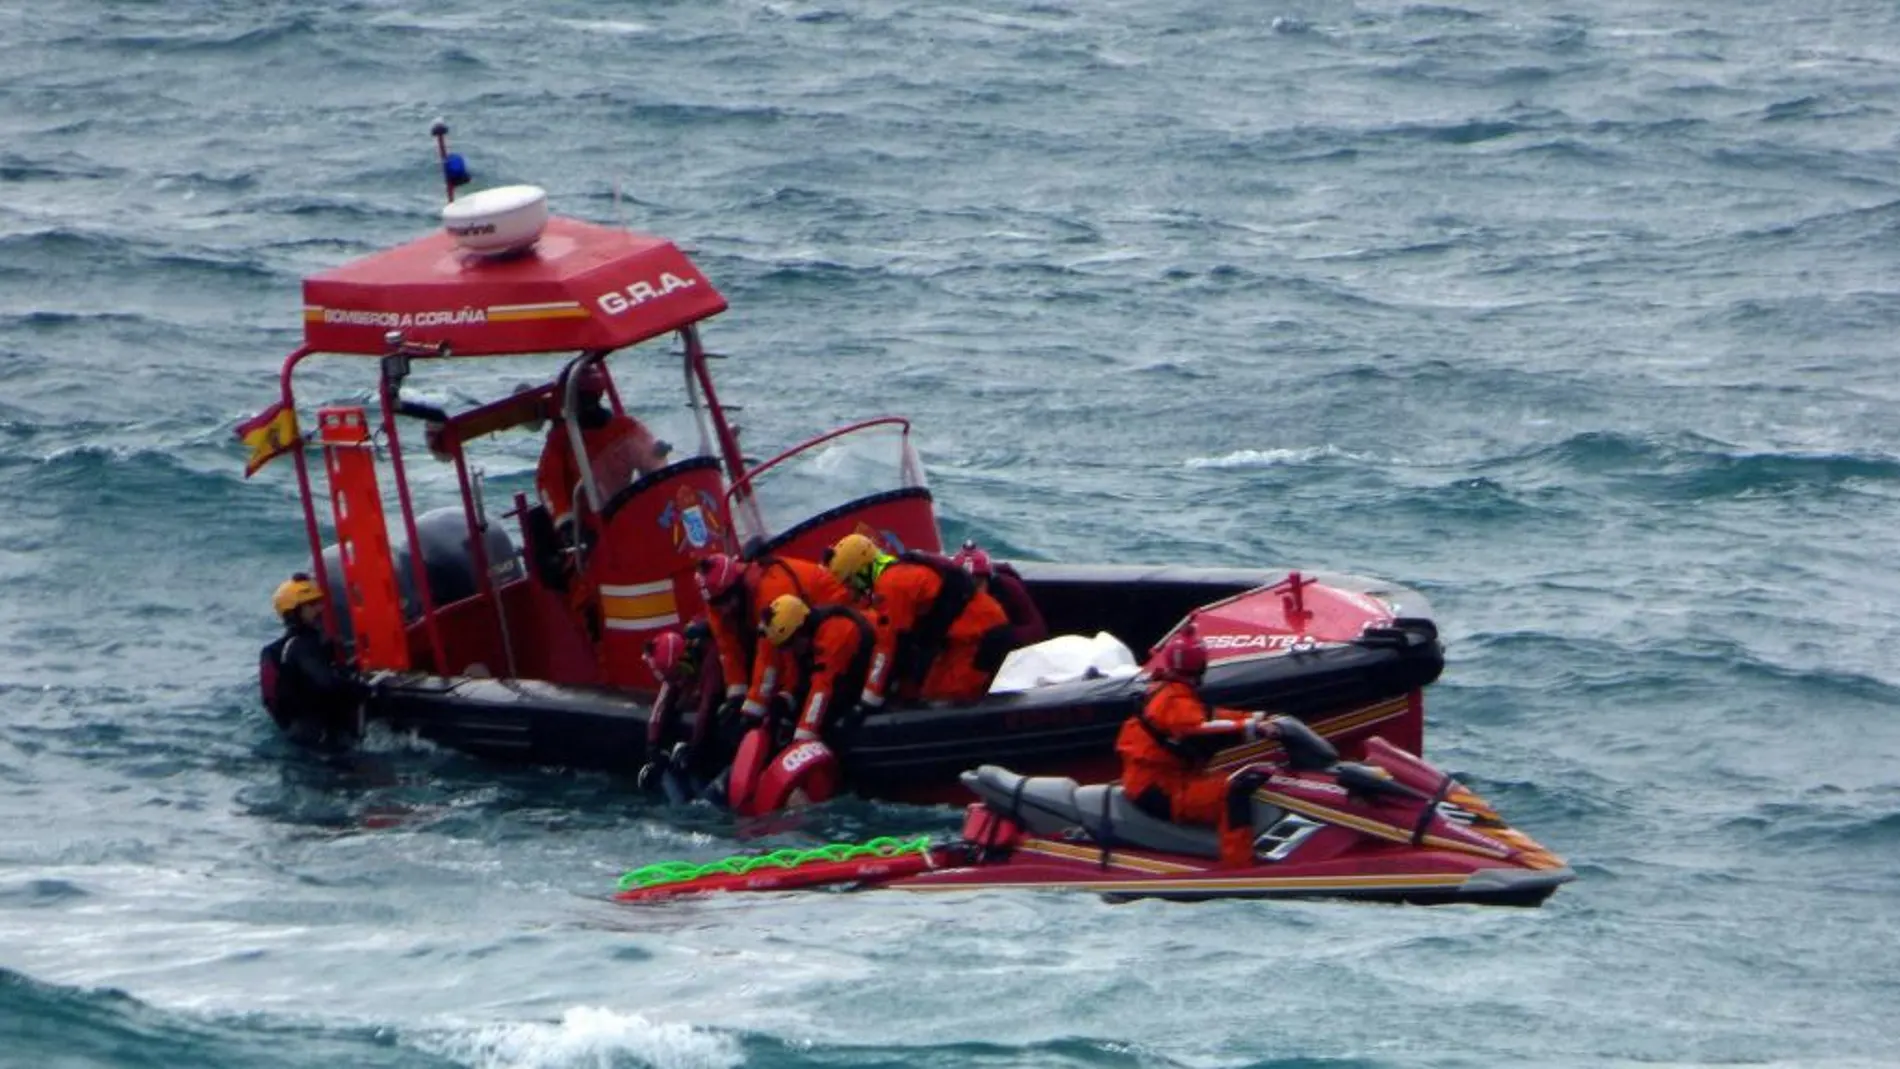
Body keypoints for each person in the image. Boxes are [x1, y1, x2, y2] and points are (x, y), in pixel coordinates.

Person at [1115, 624, 1282, 868]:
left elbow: (1211, 715)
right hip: (1161, 788)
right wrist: (1252, 729)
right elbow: (1201, 728)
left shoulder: (1171, 691)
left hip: (1164, 781)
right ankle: (1239, 865)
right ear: (1201, 665)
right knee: (1233, 790)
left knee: (1239, 778)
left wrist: (1257, 717)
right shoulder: (1173, 700)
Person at [825, 533, 1010, 706]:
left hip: (982, 634)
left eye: (850, 582)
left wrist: (869, 699)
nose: (851, 589)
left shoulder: (892, 585)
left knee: (947, 699)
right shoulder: (898, 572)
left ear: (862, 571)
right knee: (925, 692)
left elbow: (888, 647)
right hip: (961, 636)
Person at [695, 550, 850, 723]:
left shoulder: (770, 591)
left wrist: (765, 703)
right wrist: (736, 698)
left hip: (834, 611)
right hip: (800, 628)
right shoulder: (716, 601)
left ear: (738, 584)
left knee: (817, 674)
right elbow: (728, 649)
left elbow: (773, 653)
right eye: (718, 604)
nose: (725, 609)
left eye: (726, 600)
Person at [534, 362, 671, 533]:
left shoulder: (625, 428)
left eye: (592, 398)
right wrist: (566, 522)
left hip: (626, 513)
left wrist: (658, 457)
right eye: (584, 399)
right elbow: (549, 484)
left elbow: (652, 465)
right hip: (586, 528)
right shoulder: (561, 440)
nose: (589, 405)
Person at [259, 574, 366, 748]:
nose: (320, 608)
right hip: (318, 736)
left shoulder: (284, 647)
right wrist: (365, 690)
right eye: (312, 604)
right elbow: (326, 682)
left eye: (319, 602)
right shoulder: (301, 646)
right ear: (295, 612)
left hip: (299, 732)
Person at [755, 594, 878, 746]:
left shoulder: (836, 632)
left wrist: (802, 739)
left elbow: (823, 688)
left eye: (790, 643)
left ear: (802, 629)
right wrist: (785, 702)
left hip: (878, 684)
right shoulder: (805, 639)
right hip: (847, 683)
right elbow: (800, 680)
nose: (790, 650)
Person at [637, 621, 730, 798]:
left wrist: (694, 749)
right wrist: (653, 747)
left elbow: (706, 707)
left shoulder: (711, 664)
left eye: (675, 677)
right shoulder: (674, 670)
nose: (675, 682)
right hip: (697, 720)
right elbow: (660, 708)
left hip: (718, 719)